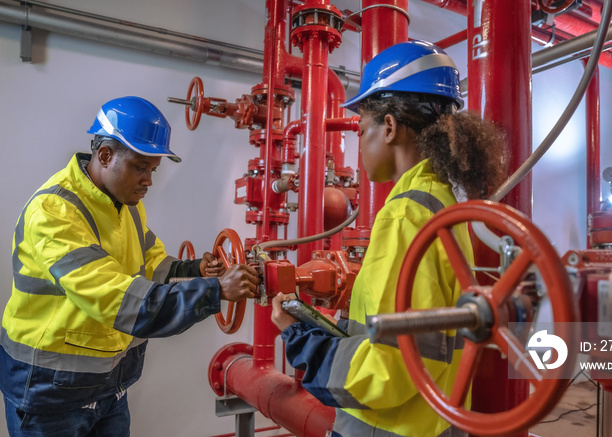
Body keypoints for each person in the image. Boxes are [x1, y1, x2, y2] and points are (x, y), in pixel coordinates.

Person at [271, 41, 508, 436]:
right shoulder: (439, 202)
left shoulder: (403, 216)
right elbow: (420, 341)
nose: (360, 142)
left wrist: (299, 338)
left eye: (362, 129)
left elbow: (387, 371)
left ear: (390, 127)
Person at [0, 96, 259, 437]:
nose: (149, 181)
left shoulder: (126, 204)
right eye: (140, 167)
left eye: (153, 170)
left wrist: (195, 270)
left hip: (109, 383)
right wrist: (216, 291)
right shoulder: (55, 213)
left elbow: (148, 260)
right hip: (51, 389)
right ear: (105, 156)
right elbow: (116, 298)